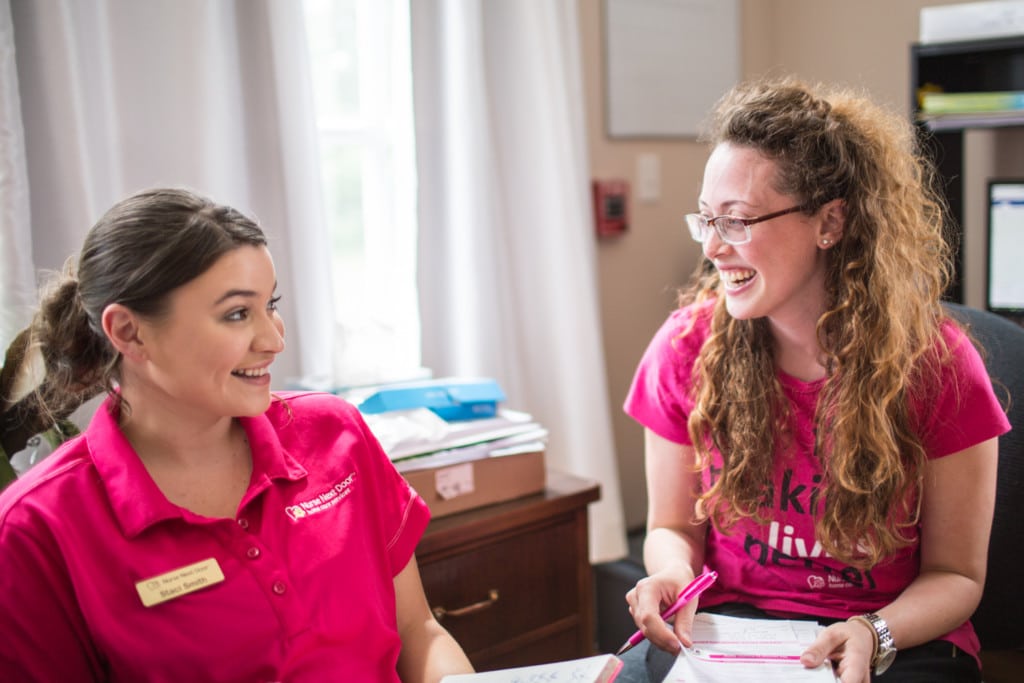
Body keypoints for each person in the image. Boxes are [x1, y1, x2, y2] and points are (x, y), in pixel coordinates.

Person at [619, 78, 1011, 683]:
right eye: (707, 220)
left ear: (829, 222)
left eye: (740, 220)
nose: (716, 248)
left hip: (890, 635)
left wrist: (872, 632)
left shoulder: (938, 367)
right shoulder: (685, 347)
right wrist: (672, 573)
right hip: (729, 633)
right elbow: (672, 527)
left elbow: (957, 576)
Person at [0, 188, 475, 682]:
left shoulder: (335, 433)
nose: (274, 340)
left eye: (270, 305)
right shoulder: (36, 529)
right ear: (128, 332)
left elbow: (419, 631)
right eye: (236, 314)